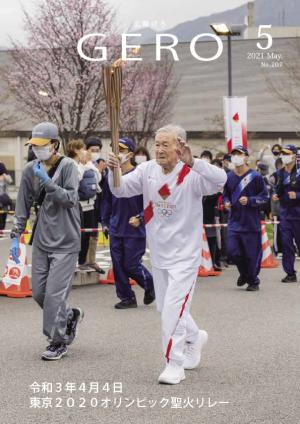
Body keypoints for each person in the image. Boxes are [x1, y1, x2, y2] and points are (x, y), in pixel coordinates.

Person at [107, 125, 227, 385]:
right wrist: (114, 169)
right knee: (165, 308)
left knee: (173, 309)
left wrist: (193, 162)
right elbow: (120, 190)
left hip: (185, 256)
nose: (159, 149)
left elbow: (221, 180)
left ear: (179, 146)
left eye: (165, 144)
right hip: (159, 253)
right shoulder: (148, 170)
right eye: (157, 144)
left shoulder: (192, 174)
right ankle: (195, 337)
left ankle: (174, 363)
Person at [10, 122, 84, 360]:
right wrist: (15, 236)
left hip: (66, 241)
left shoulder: (68, 166)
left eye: (42, 146)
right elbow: (22, 204)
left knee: (54, 295)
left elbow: (71, 199)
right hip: (42, 239)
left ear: (55, 144)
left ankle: (57, 341)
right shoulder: (31, 169)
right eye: (34, 146)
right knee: (39, 293)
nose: (37, 150)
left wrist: (49, 183)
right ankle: (69, 316)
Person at [102, 137, 155, 309]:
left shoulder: (140, 175)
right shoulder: (110, 175)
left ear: (130, 154)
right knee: (117, 265)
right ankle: (127, 298)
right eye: (115, 149)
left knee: (131, 264)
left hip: (135, 227)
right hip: (116, 225)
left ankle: (151, 284)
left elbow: (151, 202)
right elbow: (106, 200)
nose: (117, 154)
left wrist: (140, 217)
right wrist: (105, 221)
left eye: (122, 150)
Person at [223, 145, 268, 292]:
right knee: (232, 252)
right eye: (234, 154)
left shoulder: (255, 177)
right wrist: (226, 202)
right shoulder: (229, 176)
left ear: (246, 157)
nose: (236, 157)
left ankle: (253, 281)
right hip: (234, 222)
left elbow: (264, 197)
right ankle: (244, 273)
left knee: (251, 255)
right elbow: (225, 195)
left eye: (240, 154)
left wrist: (250, 201)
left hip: (250, 223)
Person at [272, 145, 300, 282]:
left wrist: (298, 195)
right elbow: (277, 189)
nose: (284, 155)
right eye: (282, 153)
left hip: (298, 213)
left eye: (287, 153)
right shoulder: (279, 173)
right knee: (287, 244)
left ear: (294, 156)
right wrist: (276, 195)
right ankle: (290, 273)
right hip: (285, 214)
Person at [77, 137, 103, 272]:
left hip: (92, 204)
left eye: (97, 150)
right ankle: (80, 261)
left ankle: (88, 261)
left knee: (91, 233)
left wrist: (99, 170)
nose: (95, 153)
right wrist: (83, 165)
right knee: (81, 234)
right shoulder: (78, 164)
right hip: (80, 204)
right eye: (92, 150)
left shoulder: (96, 165)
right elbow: (76, 179)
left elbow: (99, 182)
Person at [0, 162, 13, 230]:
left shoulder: (5, 176)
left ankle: (2, 229)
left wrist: (4, 176)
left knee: (4, 215)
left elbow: (10, 180)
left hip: (4, 199)